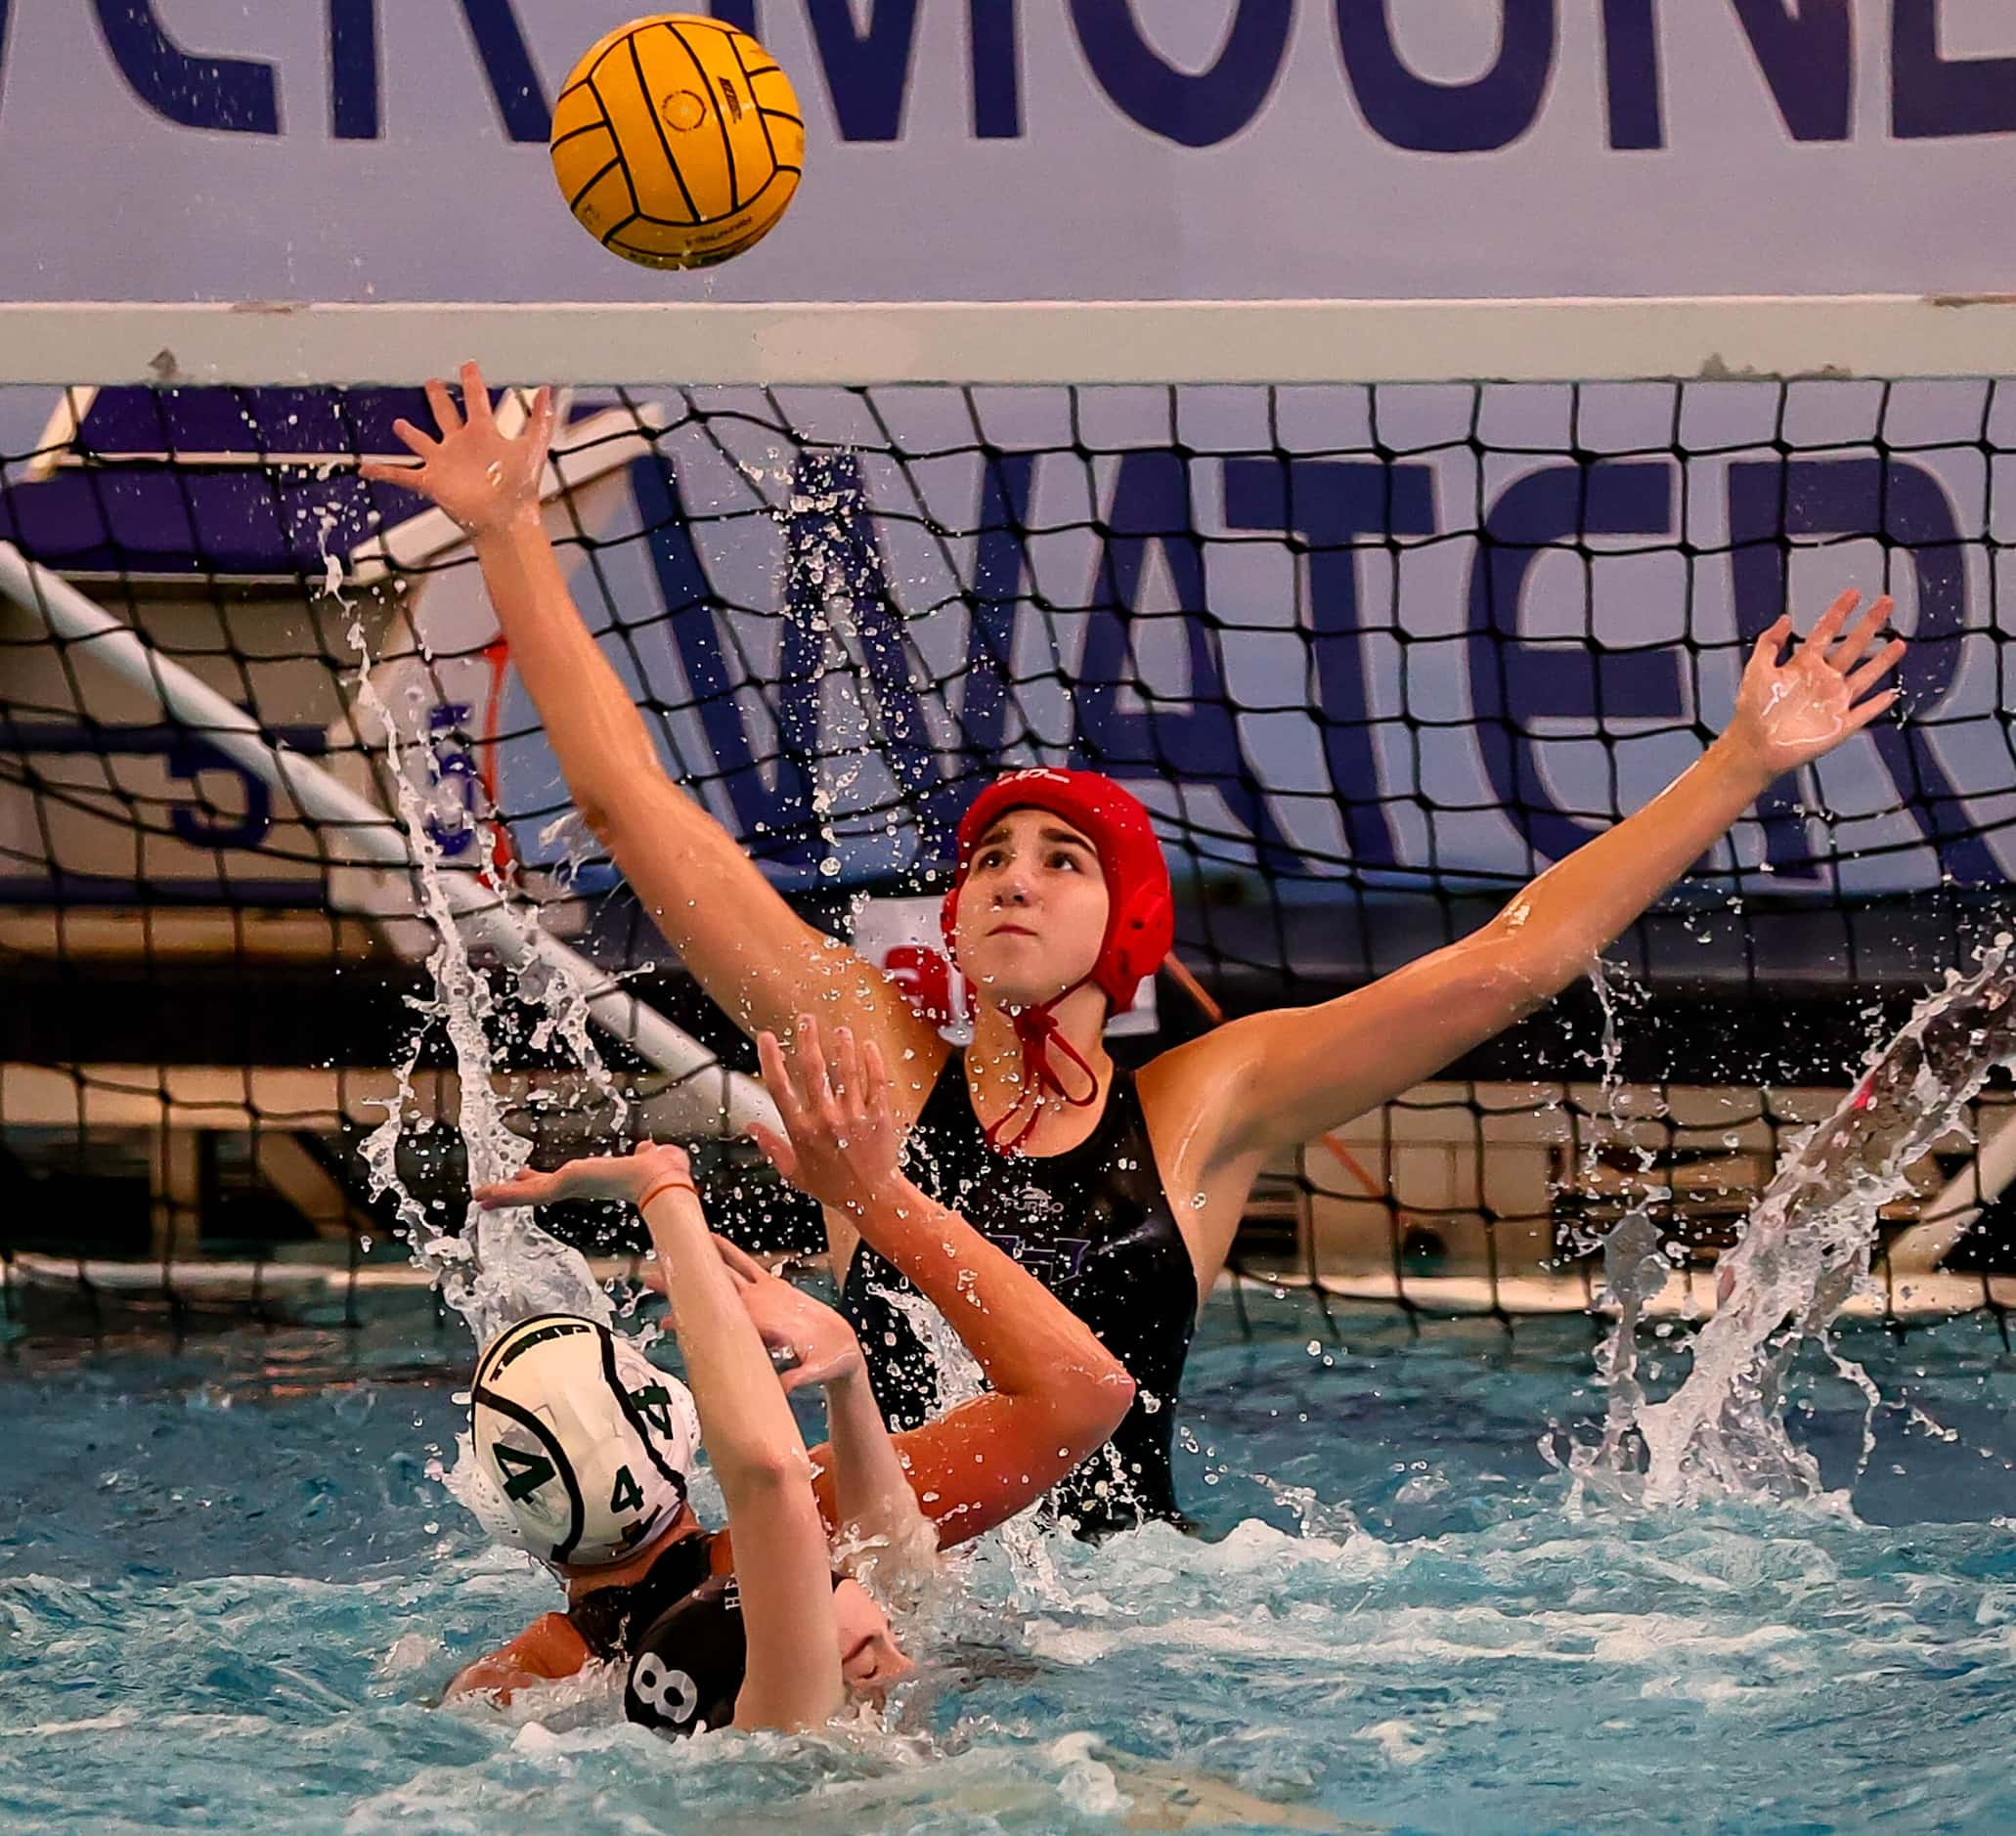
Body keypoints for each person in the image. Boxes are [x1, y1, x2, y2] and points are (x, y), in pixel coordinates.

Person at [366, 365, 1908, 1532]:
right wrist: (509, 532)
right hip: (895, 1584)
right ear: (954, 925)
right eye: (987, 860)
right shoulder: (871, 1057)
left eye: (1062, 860)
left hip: (1134, 1609)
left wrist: (1732, 767)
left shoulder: (1205, 1105)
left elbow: (1500, 964)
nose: (1012, 882)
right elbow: (642, 818)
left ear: (1133, 933)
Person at [447, 1015, 1135, 1734]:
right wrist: (874, 1196)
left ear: (500, 1509)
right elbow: (1082, 1392)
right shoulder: (822, 1522)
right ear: (678, 1427)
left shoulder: (504, 1689)